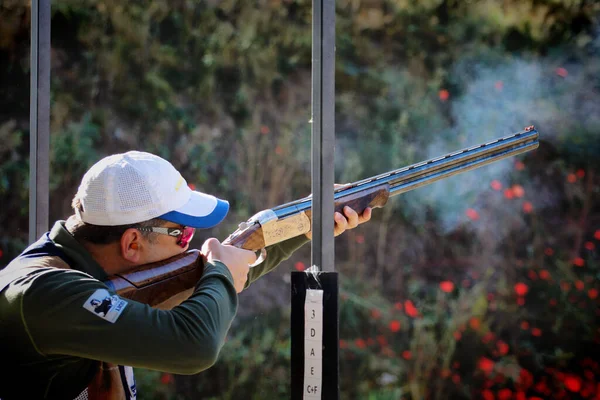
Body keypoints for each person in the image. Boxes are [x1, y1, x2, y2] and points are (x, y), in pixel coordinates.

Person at [0, 151, 371, 399]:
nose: (189, 247)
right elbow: (193, 345)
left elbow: (205, 288)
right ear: (132, 243)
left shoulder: (88, 269)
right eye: (182, 235)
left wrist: (302, 224)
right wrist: (220, 269)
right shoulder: (42, 292)